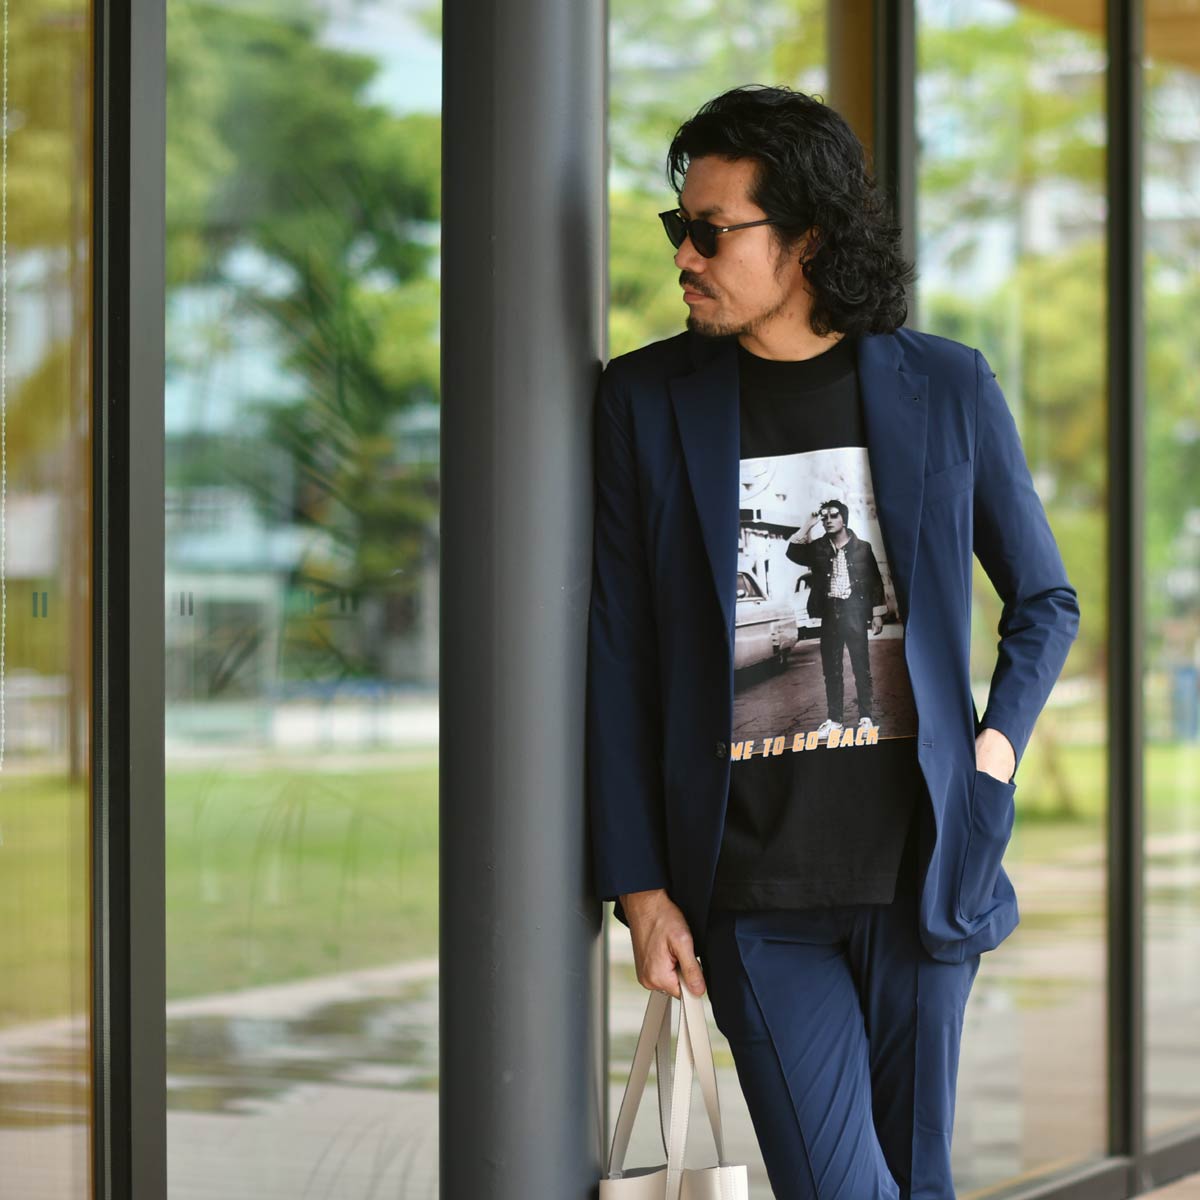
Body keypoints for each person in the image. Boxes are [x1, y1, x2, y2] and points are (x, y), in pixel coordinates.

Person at [585, 84, 1080, 1200]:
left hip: (923, 878)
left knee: (917, 1180)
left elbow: (1044, 599)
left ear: (805, 237)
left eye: (711, 230)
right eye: (679, 227)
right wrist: (639, 885)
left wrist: (993, 755)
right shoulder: (646, 401)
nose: (685, 257)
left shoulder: (943, 383)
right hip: (751, 896)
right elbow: (619, 656)